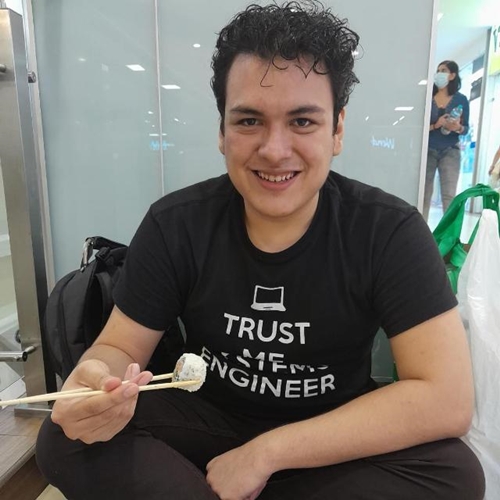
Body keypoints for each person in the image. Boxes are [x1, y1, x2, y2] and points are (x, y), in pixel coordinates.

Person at [36, 3, 485, 499]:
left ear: (337, 130)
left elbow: (446, 397)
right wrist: (95, 381)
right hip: (206, 426)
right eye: (249, 121)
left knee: (454, 473)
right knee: (65, 436)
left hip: (332, 438)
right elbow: (120, 348)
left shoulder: (388, 230)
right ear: (222, 132)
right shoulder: (176, 223)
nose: (274, 150)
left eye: (303, 121)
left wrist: (266, 453)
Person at [423, 60, 470, 221]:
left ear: (452, 75)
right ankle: (420, 233)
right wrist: (436, 125)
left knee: (449, 196)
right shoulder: (428, 97)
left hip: (451, 150)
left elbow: (466, 129)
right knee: (424, 194)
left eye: (443, 70)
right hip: (428, 149)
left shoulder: (461, 100)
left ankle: (448, 234)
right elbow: (419, 126)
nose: (439, 74)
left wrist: (457, 127)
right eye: (438, 70)